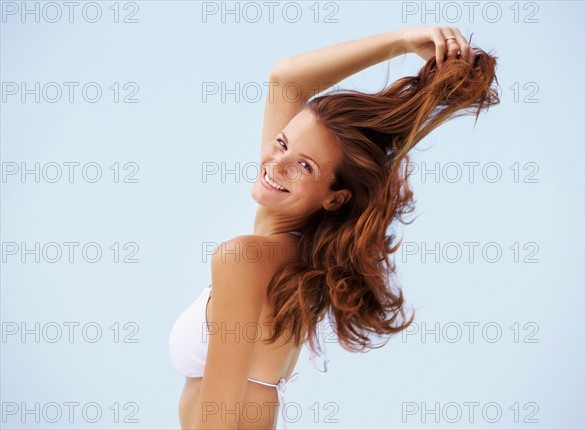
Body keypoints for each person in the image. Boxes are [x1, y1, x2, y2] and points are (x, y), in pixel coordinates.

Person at [169, 25, 499, 429]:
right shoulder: (294, 247)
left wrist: (399, 42)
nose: (275, 164)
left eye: (304, 166)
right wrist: (400, 40)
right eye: (282, 142)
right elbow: (287, 78)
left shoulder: (246, 260)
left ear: (336, 197)